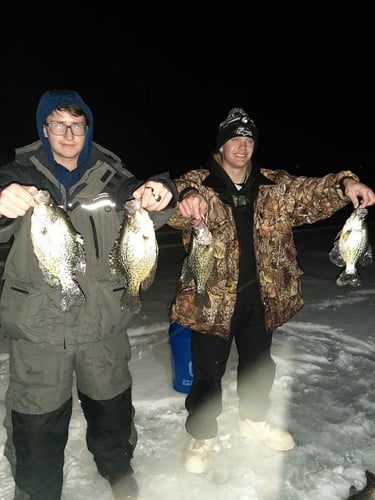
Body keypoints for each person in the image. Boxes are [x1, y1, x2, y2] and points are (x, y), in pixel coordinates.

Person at [167, 107, 375, 474]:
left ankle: (254, 420)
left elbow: (314, 193)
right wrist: (181, 196)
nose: (242, 145)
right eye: (234, 137)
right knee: (206, 373)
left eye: (248, 139)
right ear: (221, 143)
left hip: (263, 297)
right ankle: (202, 434)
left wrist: (347, 183)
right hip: (209, 301)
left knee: (259, 365)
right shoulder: (197, 183)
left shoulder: (275, 184)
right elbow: (167, 204)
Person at [0, 89, 178, 500]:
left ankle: (116, 468)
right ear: (44, 130)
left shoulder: (111, 177)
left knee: (112, 408)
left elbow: (145, 199)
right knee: (35, 420)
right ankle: (37, 489)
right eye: (58, 124)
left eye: (76, 125)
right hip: (39, 328)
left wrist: (159, 191)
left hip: (103, 321)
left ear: (87, 129)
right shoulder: (20, 175)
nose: (67, 133)